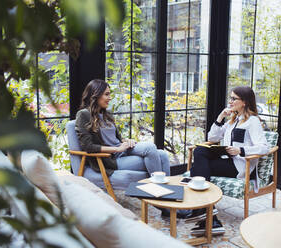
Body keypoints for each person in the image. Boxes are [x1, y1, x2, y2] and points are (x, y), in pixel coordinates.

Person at [75, 79, 189, 218]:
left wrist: (125, 141)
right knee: (153, 150)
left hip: (122, 150)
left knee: (162, 155)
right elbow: (88, 147)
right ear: (95, 94)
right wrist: (117, 149)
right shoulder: (83, 114)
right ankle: (164, 203)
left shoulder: (106, 114)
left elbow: (115, 139)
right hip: (110, 158)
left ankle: (166, 201)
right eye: (106, 94)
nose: (110, 98)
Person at [188, 86, 269, 236]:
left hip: (239, 165)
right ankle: (209, 217)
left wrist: (241, 150)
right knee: (200, 150)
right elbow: (212, 138)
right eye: (230, 98)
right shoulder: (233, 120)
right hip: (227, 159)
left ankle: (204, 212)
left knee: (196, 169)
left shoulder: (253, 121)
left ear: (244, 102)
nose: (230, 101)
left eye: (234, 98)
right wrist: (220, 117)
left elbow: (264, 148)